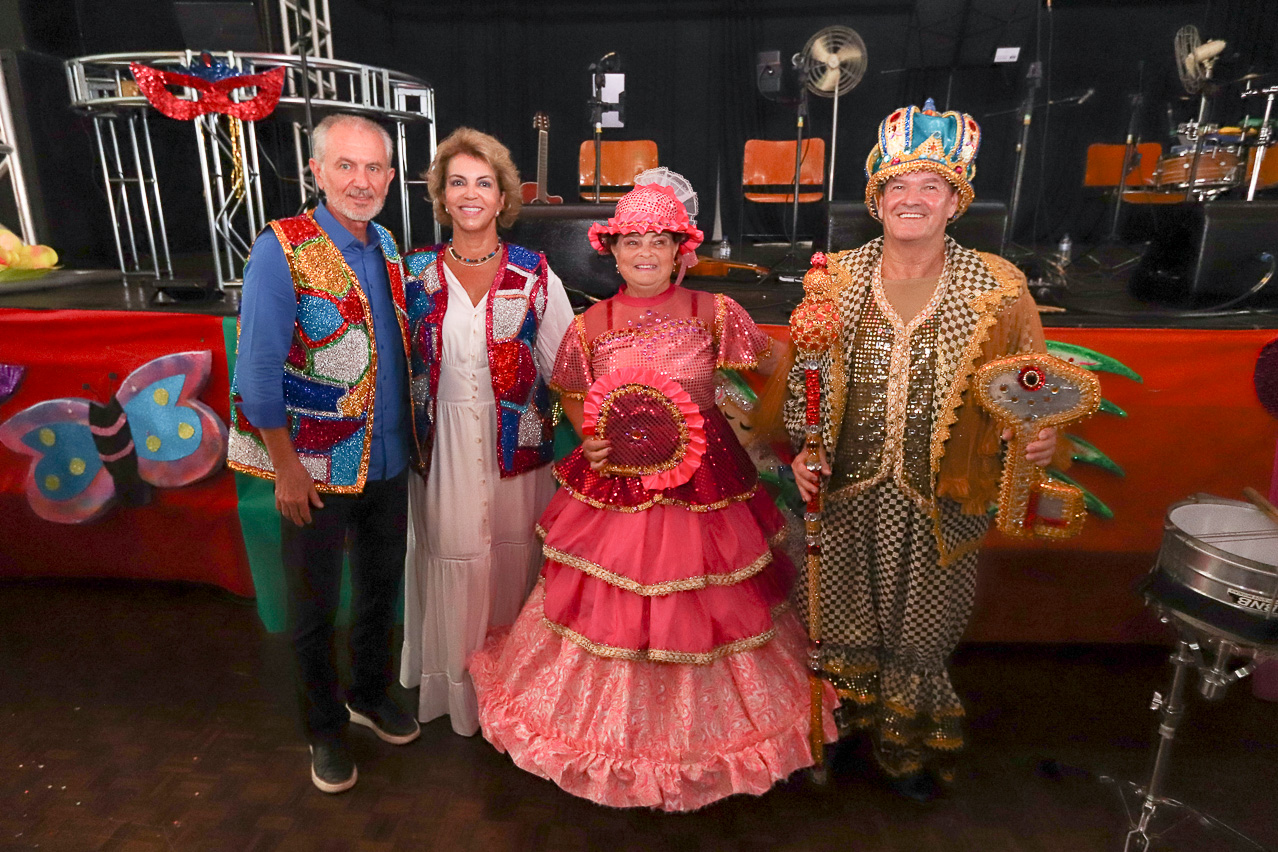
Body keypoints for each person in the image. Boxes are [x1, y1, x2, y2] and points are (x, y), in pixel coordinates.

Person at [469, 169, 835, 812]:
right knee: (607, 606)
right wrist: (592, 442)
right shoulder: (593, 323)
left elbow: (780, 368)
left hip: (706, 491)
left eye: (657, 242)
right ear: (611, 250)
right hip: (618, 491)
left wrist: (787, 434)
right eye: (631, 241)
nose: (644, 253)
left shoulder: (717, 312)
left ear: (679, 250)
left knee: (706, 607)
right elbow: (575, 393)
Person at [786, 99, 1065, 802]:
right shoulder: (836, 278)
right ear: (877, 198)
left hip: (944, 497)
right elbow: (806, 378)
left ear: (955, 201)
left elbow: (1030, 381)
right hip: (846, 491)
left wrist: (1039, 431)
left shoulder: (997, 286)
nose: (911, 200)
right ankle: (836, 731)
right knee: (835, 615)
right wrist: (800, 449)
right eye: (897, 187)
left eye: (929, 187)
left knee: (923, 627)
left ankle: (903, 746)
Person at [228, 113, 421, 794]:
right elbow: (256, 374)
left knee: (378, 592)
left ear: (392, 178)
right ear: (316, 172)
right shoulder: (280, 248)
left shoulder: (390, 246)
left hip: (390, 463)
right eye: (346, 166)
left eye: (374, 168)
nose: (361, 181)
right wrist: (283, 466)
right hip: (312, 471)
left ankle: (368, 696)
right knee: (312, 606)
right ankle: (323, 730)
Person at [398, 128, 573, 736]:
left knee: (510, 561)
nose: (470, 194)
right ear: (441, 197)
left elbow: (567, 369)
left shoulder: (534, 273)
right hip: (439, 448)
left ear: (503, 198)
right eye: (457, 183)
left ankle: (515, 695)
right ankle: (457, 692)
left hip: (517, 454)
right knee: (453, 558)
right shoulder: (412, 274)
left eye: (484, 183)